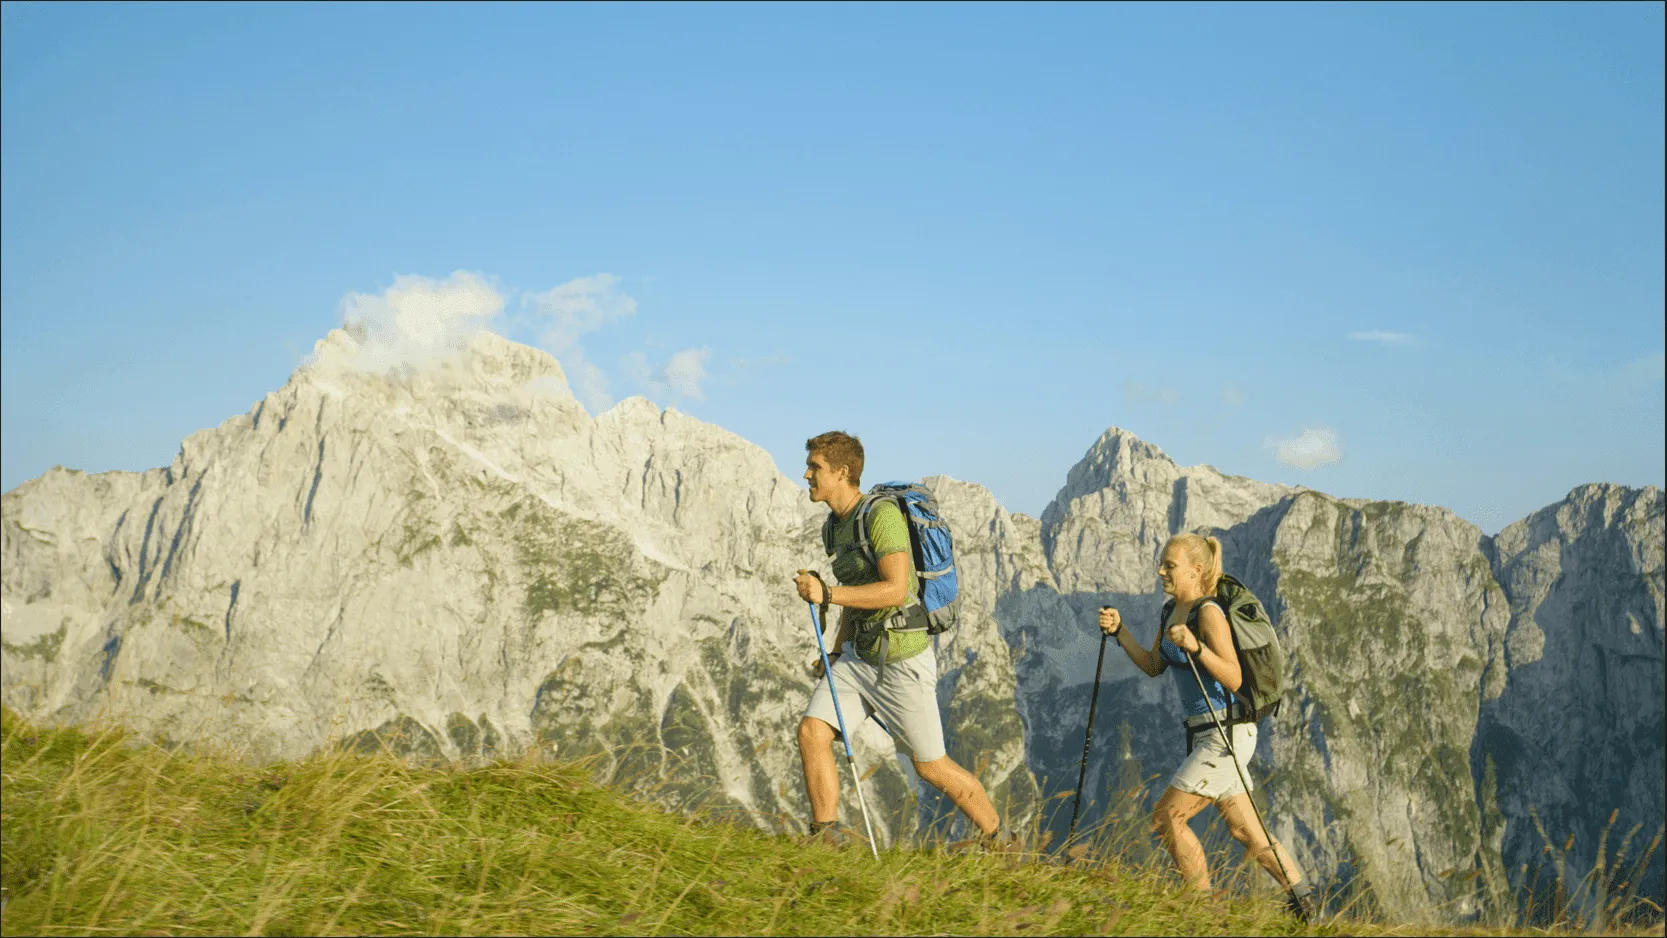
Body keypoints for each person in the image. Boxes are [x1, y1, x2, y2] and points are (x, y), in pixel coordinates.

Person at [791, 430, 1011, 850]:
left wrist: (827, 595)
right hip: (859, 657)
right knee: (812, 732)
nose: (806, 474)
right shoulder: (834, 527)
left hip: (902, 659)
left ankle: (1001, 839)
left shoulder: (881, 516)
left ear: (842, 472)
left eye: (815, 467)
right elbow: (859, 593)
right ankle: (825, 839)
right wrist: (838, 650)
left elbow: (896, 590)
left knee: (931, 767)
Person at [1098, 534, 1314, 918]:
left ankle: (1200, 913)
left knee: (1167, 817)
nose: (1161, 570)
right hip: (1206, 734)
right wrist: (1119, 632)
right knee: (1246, 832)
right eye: (1162, 563)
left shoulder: (1209, 612)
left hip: (1227, 733)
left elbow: (1233, 677)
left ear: (1196, 570)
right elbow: (1152, 665)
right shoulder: (1170, 612)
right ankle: (1305, 907)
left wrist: (1197, 648)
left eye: (1170, 565)